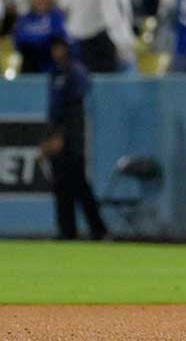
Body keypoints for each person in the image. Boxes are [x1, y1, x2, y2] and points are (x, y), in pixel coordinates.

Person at [42, 35, 108, 240]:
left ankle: (99, 230)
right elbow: (53, 110)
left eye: (59, 47)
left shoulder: (75, 71)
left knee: (79, 183)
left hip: (72, 136)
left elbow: (73, 109)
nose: (56, 52)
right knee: (61, 185)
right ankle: (67, 231)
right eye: (54, 48)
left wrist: (61, 136)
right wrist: (50, 136)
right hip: (58, 132)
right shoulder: (55, 73)